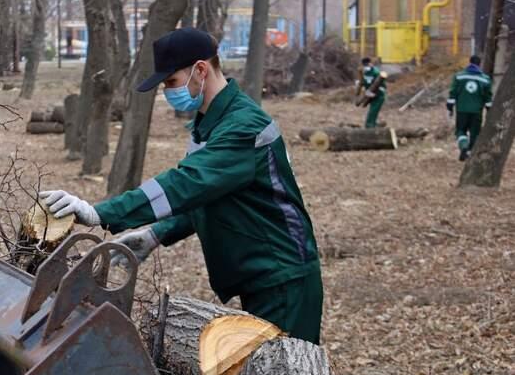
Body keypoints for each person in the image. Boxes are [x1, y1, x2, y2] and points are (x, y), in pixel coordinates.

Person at [40, 28, 323, 344]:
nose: (168, 92)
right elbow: (208, 197)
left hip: (284, 279)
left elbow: (185, 184)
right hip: (262, 275)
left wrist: (100, 213)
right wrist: (156, 233)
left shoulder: (243, 127)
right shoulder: (211, 124)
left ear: (201, 70)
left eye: (171, 82)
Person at [446, 55, 492, 161]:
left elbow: (453, 93)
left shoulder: (459, 76)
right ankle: (470, 154)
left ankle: (463, 146)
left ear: (469, 62)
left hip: (462, 110)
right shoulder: (485, 79)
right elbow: (488, 97)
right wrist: (489, 110)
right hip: (477, 111)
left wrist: (450, 107)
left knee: (460, 131)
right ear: (479, 64)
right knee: (475, 133)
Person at [358, 57, 386, 128]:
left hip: (375, 94)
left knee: (373, 110)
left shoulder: (372, 72)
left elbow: (380, 85)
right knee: (373, 110)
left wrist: (372, 93)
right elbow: (365, 83)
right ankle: (370, 124)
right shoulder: (369, 72)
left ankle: (371, 123)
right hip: (374, 94)